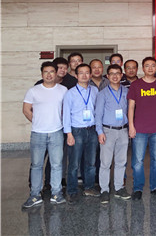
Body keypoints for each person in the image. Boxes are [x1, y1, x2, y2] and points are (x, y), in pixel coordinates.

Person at [22, 62, 67, 208]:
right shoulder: (33, 90)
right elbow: (26, 110)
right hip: (38, 134)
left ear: (56, 73)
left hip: (56, 133)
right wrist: (37, 121)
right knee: (36, 165)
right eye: (46, 72)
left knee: (56, 164)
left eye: (52, 71)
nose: (49, 74)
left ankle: (56, 193)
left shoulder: (63, 90)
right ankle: (35, 195)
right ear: (42, 74)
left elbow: (65, 110)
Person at [127, 57, 156, 200]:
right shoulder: (136, 85)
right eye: (147, 66)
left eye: (152, 65)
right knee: (138, 161)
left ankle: (155, 186)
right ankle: (138, 188)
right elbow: (131, 106)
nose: (150, 68)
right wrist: (131, 125)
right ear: (143, 68)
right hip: (139, 128)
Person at [63, 63, 99, 203]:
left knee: (91, 162)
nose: (84, 75)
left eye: (87, 72)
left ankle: (89, 187)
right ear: (76, 75)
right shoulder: (70, 93)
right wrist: (69, 134)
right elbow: (66, 114)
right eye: (81, 73)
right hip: (76, 130)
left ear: (90, 75)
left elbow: (97, 110)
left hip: (92, 130)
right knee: (74, 163)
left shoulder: (95, 91)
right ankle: (72, 190)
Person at [95, 64, 131, 204]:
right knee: (105, 162)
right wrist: (100, 132)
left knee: (121, 161)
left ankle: (119, 187)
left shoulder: (127, 91)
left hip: (123, 130)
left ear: (121, 75)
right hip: (108, 131)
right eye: (112, 73)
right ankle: (104, 190)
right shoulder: (102, 94)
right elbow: (98, 114)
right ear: (107, 76)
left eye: (117, 73)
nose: (115, 76)